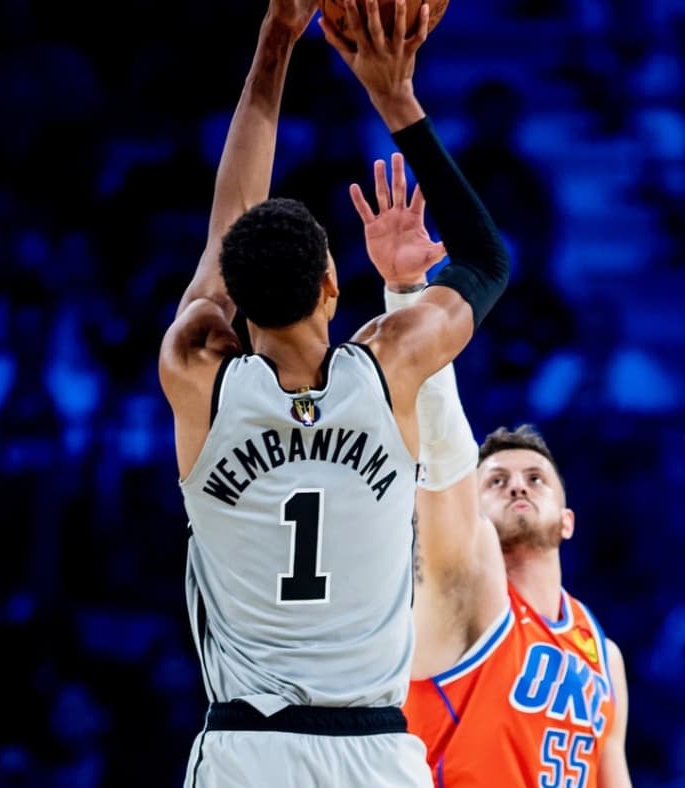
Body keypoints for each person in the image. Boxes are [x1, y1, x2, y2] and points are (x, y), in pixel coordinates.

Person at [156, 0, 510, 784]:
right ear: (332, 283)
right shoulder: (389, 368)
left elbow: (225, 234)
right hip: (374, 753)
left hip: (246, 748)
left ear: (234, 305)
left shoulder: (197, 374)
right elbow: (485, 261)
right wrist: (396, 99)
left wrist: (275, 38)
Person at [351, 171, 631, 785]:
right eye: (496, 480)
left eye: (536, 477)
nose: (517, 484)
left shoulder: (603, 654)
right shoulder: (466, 594)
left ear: (567, 518)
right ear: (469, 513)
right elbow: (446, 444)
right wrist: (407, 294)